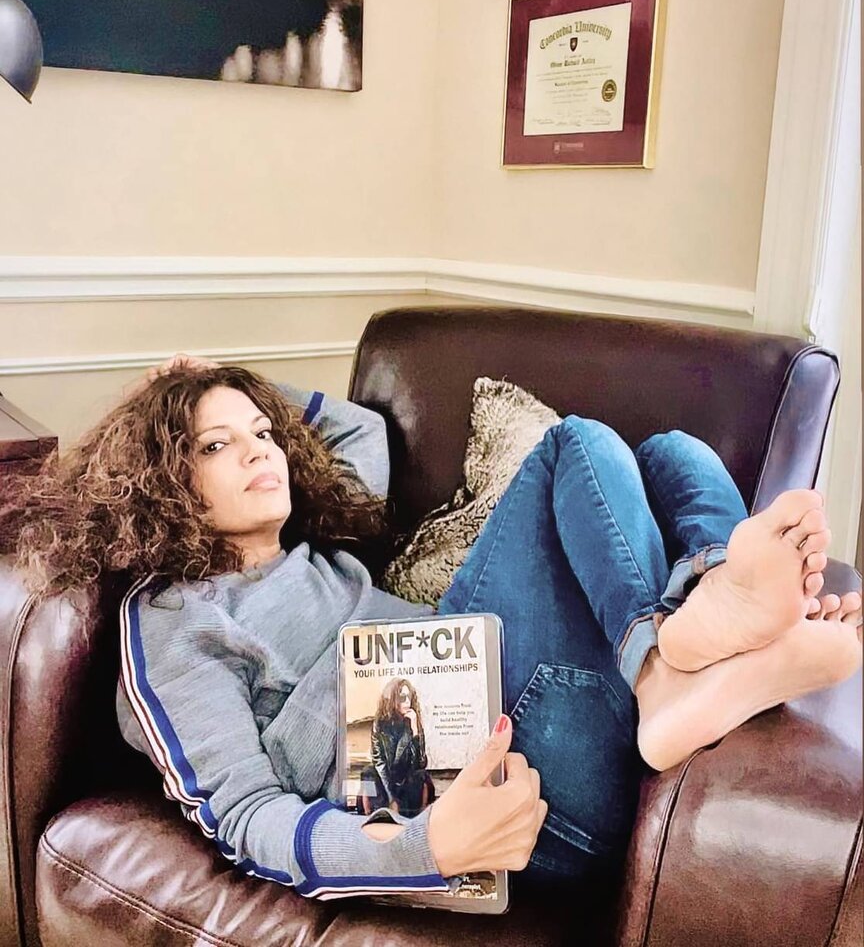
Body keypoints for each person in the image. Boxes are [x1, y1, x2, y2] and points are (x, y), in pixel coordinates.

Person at [1, 357, 860, 901]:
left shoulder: (317, 550)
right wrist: (424, 845)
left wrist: (222, 378)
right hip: (499, 772)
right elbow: (245, 817)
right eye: (215, 446)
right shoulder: (174, 622)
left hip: (544, 702)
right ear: (161, 479)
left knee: (677, 452)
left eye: (263, 434)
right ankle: (668, 661)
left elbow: (357, 429)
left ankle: (697, 625)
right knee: (577, 445)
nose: (261, 450)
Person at [359, 678, 435, 818]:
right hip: (386, 781)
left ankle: (420, 814)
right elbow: (379, 763)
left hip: (405, 780)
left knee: (421, 775)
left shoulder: (412, 721)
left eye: (409, 697)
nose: (407, 702)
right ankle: (368, 813)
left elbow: (420, 763)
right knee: (368, 773)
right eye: (402, 697)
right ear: (393, 699)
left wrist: (415, 731)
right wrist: (391, 799)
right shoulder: (380, 724)